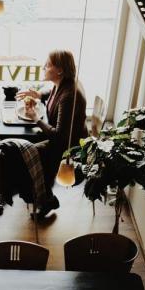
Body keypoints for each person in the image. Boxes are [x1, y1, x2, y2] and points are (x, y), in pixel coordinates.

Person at [17, 49, 88, 189]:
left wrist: (35, 118)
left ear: (60, 70)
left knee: (22, 155)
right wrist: (38, 94)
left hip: (67, 149)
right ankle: (37, 189)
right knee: (23, 144)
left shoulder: (69, 96)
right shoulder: (64, 83)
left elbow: (59, 137)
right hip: (61, 140)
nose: (43, 68)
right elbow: (53, 92)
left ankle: (43, 196)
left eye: (48, 65)